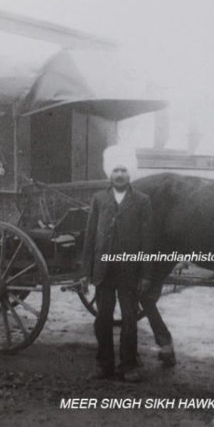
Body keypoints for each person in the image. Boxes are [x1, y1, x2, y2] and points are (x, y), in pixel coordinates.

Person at [80, 146, 153, 382]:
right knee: (103, 319)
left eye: (123, 170)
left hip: (129, 271)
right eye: (115, 171)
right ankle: (104, 365)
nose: (119, 175)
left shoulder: (142, 201)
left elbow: (147, 241)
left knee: (130, 320)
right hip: (104, 270)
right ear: (109, 175)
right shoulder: (99, 199)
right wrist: (85, 272)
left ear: (130, 173)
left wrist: (145, 275)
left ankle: (128, 366)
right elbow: (90, 237)